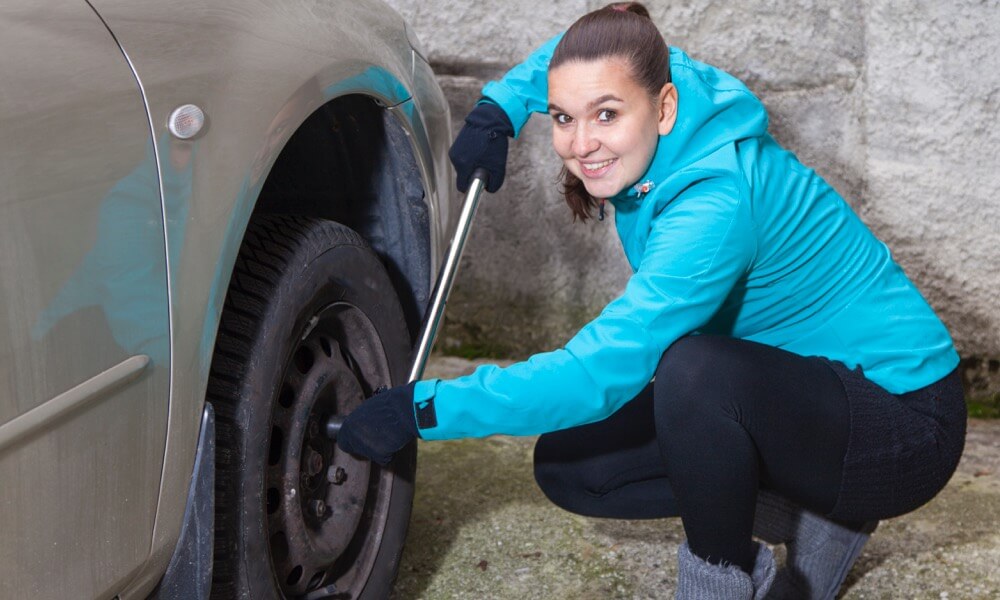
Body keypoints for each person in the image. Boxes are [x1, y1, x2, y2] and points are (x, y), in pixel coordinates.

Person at [337, 4, 966, 598]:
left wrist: (428, 408)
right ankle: (817, 511)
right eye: (562, 118)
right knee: (573, 465)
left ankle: (751, 565)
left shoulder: (714, 206)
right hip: (796, 391)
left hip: (900, 423)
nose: (580, 144)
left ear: (663, 108)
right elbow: (578, 56)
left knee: (692, 372)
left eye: (606, 116)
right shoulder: (656, 73)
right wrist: (499, 108)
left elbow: (599, 371)